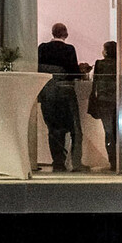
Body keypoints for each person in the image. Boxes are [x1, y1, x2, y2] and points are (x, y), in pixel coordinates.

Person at [38, 23, 84, 172]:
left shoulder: (42, 48)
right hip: (65, 91)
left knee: (54, 128)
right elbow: (74, 72)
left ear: (52, 33)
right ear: (66, 34)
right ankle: (75, 162)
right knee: (74, 128)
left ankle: (58, 161)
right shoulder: (69, 49)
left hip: (47, 92)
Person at [88, 41, 122, 170]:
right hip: (119, 101)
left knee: (108, 131)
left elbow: (95, 82)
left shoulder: (100, 64)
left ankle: (113, 161)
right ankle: (121, 159)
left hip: (104, 100)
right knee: (120, 131)